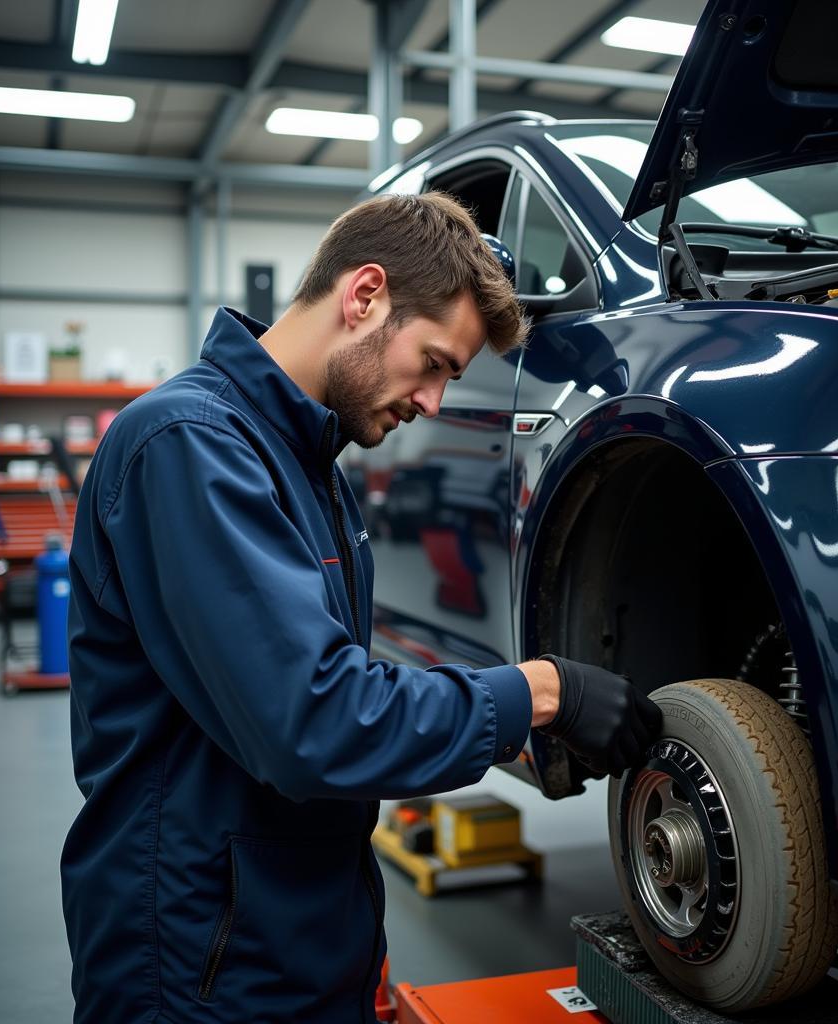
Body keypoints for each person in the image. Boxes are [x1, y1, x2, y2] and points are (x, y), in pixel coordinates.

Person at [61, 192, 662, 1024]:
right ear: (365, 296)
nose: (433, 404)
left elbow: (338, 691)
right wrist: (539, 691)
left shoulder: (314, 473)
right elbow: (318, 721)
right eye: (437, 364)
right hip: (199, 975)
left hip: (296, 953)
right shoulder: (189, 446)